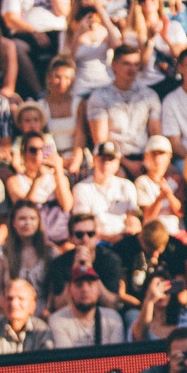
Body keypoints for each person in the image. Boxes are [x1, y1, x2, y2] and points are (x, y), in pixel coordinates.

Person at [86, 44, 162, 177]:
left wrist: (151, 162)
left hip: (144, 157)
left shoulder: (149, 95)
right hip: (114, 157)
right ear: (114, 65)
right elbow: (101, 141)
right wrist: (128, 164)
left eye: (136, 64)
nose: (132, 69)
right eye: (126, 64)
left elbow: (156, 135)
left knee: (173, 176)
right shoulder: (99, 97)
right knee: (119, 176)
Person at [45, 212, 122, 309]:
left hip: (102, 312)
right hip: (70, 313)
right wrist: (75, 271)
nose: (85, 239)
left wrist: (89, 271)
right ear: (70, 238)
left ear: (97, 236)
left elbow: (111, 304)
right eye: (79, 235)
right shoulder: (60, 263)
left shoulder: (110, 259)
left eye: (90, 234)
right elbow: (59, 305)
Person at [71, 141, 140, 242]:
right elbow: (84, 226)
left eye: (111, 159)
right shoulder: (82, 188)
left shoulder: (127, 186)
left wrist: (131, 229)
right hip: (97, 241)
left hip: (124, 239)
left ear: (118, 163)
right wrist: (112, 239)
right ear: (94, 160)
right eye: (102, 159)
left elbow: (132, 218)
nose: (106, 163)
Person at [42, 265, 125, 347]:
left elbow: (116, 354)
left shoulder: (113, 319)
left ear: (98, 290)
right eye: (79, 285)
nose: (85, 289)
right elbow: (66, 355)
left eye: (90, 284)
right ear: (70, 290)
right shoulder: (58, 320)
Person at [0, 277, 51, 354]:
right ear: (3, 303)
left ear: (32, 306)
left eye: (20, 298)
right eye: (9, 298)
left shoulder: (41, 331)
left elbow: (48, 359)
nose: (13, 303)